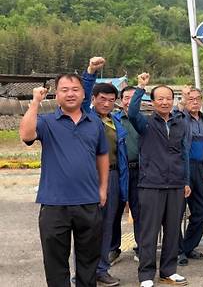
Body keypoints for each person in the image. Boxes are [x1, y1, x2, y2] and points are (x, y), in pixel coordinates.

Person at [19, 73, 109, 287]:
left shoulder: (94, 123)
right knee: (55, 263)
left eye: (75, 89)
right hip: (54, 204)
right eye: (64, 90)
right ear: (56, 94)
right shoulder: (47, 121)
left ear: (84, 93)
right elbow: (26, 135)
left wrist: (103, 188)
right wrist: (35, 102)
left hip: (88, 201)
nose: (70, 94)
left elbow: (102, 155)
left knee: (89, 261)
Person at [129, 72, 191, 287]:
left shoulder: (180, 123)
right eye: (160, 98)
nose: (165, 102)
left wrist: (186, 181)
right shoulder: (145, 123)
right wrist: (140, 88)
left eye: (168, 98)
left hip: (176, 184)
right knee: (149, 232)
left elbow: (184, 153)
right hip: (151, 184)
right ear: (153, 102)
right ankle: (146, 275)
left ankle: (168, 271)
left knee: (173, 231)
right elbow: (132, 111)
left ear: (173, 101)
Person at [82, 57, 129, 286]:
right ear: (93, 99)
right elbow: (82, 96)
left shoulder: (115, 121)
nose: (107, 103)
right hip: (90, 178)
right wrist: (91, 71)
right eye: (102, 99)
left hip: (113, 176)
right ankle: (84, 273)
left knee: (108, 225)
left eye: (111, 100)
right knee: (88, 228)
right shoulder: (85, 117)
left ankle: (101, 269)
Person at [178, 87, 203, 266]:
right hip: (182, 168)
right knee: (177, 212)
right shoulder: (180, 118)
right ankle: (177, 251)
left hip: (198, 168)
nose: (195, 102)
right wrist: (182, 101)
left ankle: (187, 247)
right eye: (191, 99)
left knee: (202, 210)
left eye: (198, 98)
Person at [115, 85, 141, 261]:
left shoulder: (144, 120)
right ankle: (113, 248)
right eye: (126, 98)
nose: (130, 101)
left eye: (134, 97)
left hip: (140, 171)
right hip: (119, 171)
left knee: (140, 211)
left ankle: (142, 247)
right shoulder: (114, 120)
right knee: (114, 211)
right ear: (121, 100)